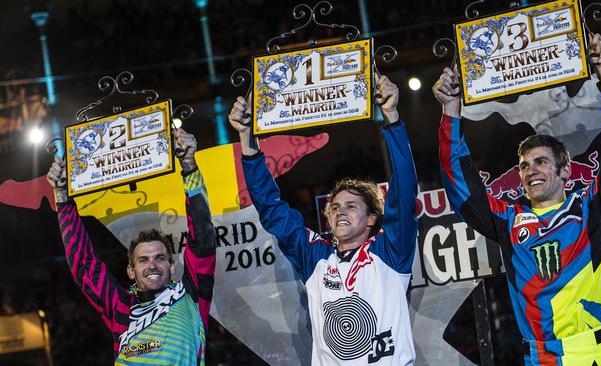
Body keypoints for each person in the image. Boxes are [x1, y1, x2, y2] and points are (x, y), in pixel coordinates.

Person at [434, 33, 601, 365]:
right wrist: (450, 111)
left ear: (564, 172)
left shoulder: (592, 207)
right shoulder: (508, 218)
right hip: (539, 358)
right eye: (523, 166)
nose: (530, 170)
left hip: (597, 354)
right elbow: (462, 186)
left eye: (541, 162)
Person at [228, 75, 418, 365]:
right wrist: (247, 138)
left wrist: (391, 117)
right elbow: (270, 208)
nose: (340, 211)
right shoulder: (316, 255)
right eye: (335, 207)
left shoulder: (389, 253)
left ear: (371, 219)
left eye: (352, 206)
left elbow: (404, 191)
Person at [46, 128, 216, 365]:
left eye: (159, 258)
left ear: (172, 266)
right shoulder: (120, 307)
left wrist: (189, 166)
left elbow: (203, 238)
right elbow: (85, 265)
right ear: (130, 271)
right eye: (143, 260)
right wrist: (62, 196)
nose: (152, 265)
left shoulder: (190, 296)